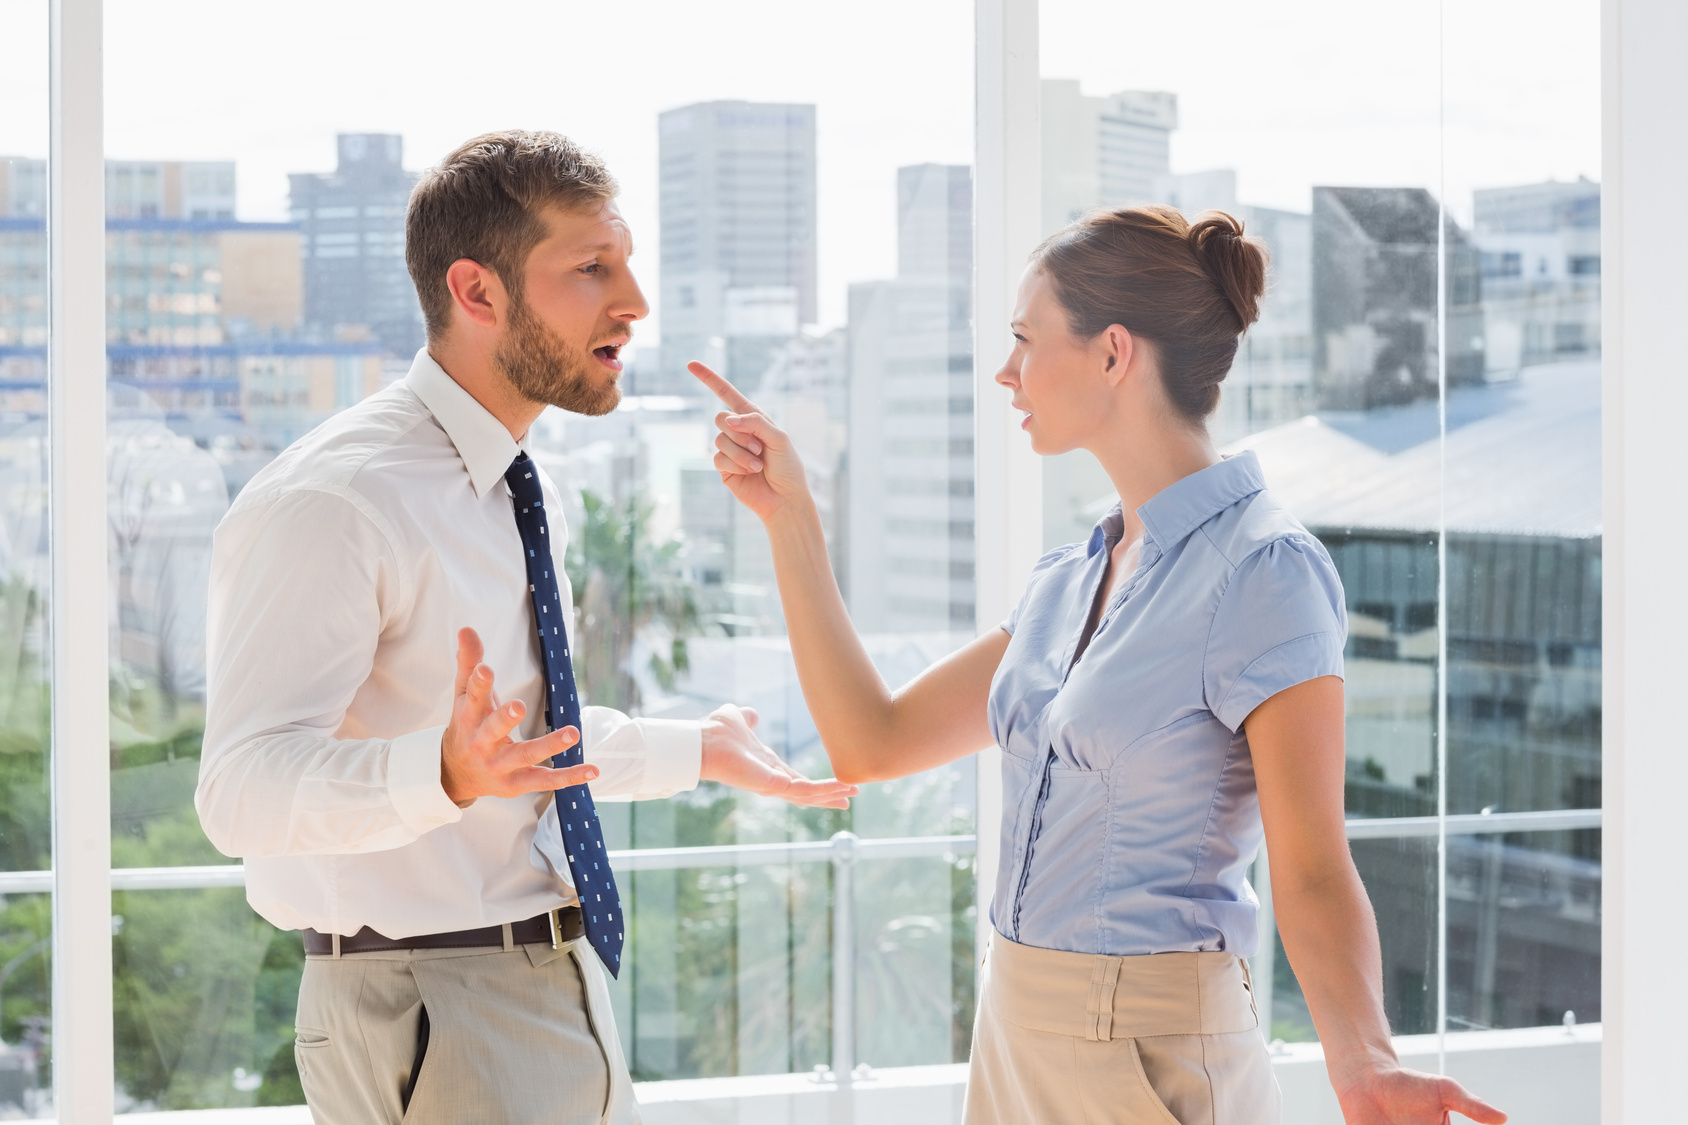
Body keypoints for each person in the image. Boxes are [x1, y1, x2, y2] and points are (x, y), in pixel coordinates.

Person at [692, 206, 1508, 1125]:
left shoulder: (1264, 569)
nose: (1007, 371)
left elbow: (1313, 865)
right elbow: (870, 742)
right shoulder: (1066, 581)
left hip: (1151, 1055)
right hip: (1012, 1035)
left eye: (1025, 339)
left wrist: (1364, 1063)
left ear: (1113, 353)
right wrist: (790, 518)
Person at [196, 130, 856, 1125]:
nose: (632, 303)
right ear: (478, 292)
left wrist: (701, 750)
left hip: (538, 981)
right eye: (591, 269)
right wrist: (444, 774)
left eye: (625, 264)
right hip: (440, 1001)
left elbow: (509, 745)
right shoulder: (338, 501)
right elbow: (238, 793)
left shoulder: (496, 481)